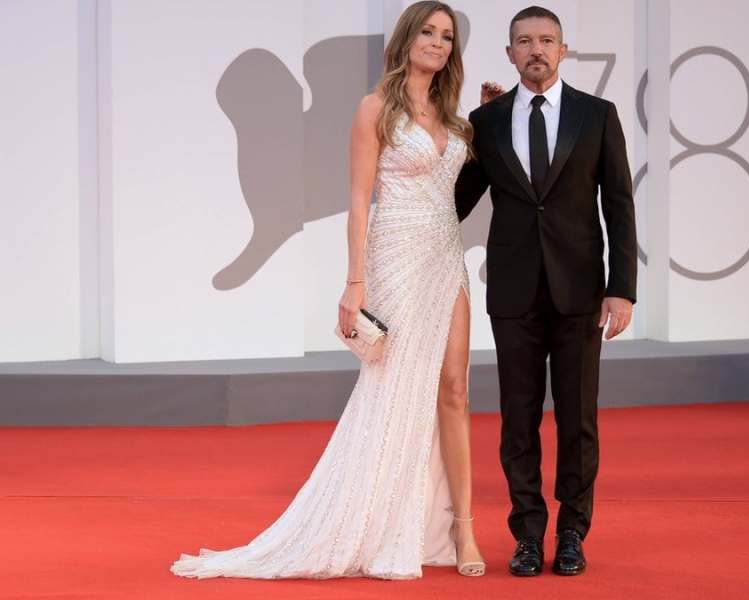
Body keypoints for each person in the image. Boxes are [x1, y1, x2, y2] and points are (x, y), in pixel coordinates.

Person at [170, 1, 485, 580]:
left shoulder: (456, 120)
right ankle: (377, 519)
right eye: (429, 32)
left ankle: (461, 529)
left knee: (455, 389)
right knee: (393, 390)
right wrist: (355, 281)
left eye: (447, 36)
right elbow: (359, 202)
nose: (438, 43)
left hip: (447, 259)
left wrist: (487, 118)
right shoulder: (374, 110)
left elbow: (463, 185)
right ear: (408, 38)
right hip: (394, 259)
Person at [455, 6, 637, 577]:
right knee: (518, 418)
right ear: (509, 54)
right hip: (512, 293)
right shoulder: (487, 122)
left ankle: (574, 533)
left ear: (563, 50)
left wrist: (621, 289)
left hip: (581, 291)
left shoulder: (597, 115)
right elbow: (457, 201)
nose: (536, 49)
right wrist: (459, 135)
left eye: (546, 40)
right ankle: (528, 534)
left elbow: (620, 207)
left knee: (579, 419)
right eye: (524, 41)